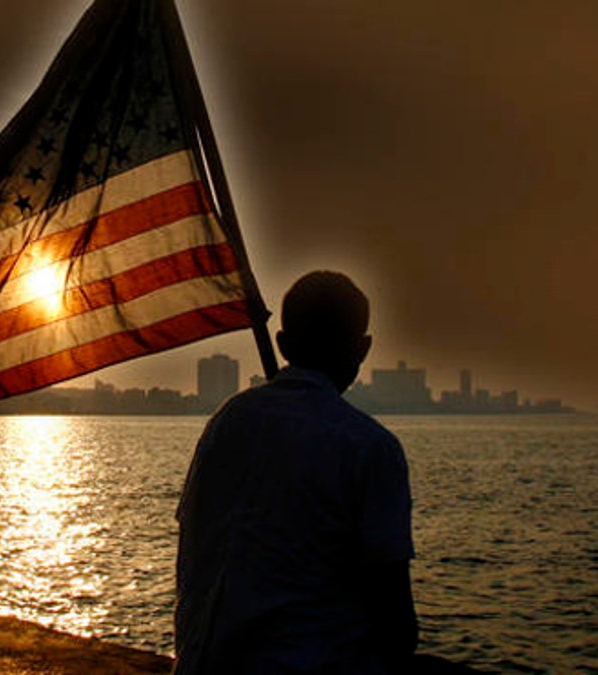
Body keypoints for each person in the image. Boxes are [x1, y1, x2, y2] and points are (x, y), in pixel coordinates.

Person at [174, 270, 418, 674]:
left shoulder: (227, 423)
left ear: (283, 345)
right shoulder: (369, 447)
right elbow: (396, 624)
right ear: (364, 348)